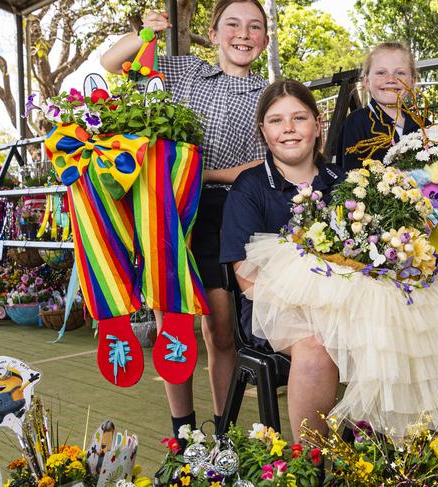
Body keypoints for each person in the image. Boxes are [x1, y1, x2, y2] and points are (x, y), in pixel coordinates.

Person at [100, 0, 269, 444]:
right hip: (168, 209)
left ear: (265, 40)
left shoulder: (270, 94)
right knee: (172, 323)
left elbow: (266, 164)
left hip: (225, 211)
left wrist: (203, 172)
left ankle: (222, 434)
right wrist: (146, 34)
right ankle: (183, 435)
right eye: (232, 24)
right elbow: (111, 62)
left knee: (218, 328)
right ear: (212, 35)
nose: (243, 33)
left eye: (255, 27)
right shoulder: (185, 72)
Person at [220, 79, 345, 439]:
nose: (288, 129)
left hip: (347, 299)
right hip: (270, 306)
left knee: (393, 327)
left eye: (299, 118)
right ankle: (313, 462)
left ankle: (392, 456)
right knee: (317, 345)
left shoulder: (343, 181)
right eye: (276, 121)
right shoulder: (250, 186)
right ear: (263, 130)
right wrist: (308, 310)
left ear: (318, 124)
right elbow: (246, 277)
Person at [337, 42, 421, 171]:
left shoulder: (423, 125)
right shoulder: (356, 123)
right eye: (381, 73)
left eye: (400, 73)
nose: (391, 79)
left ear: (413, 81)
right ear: (366, 82)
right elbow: (348, 181)